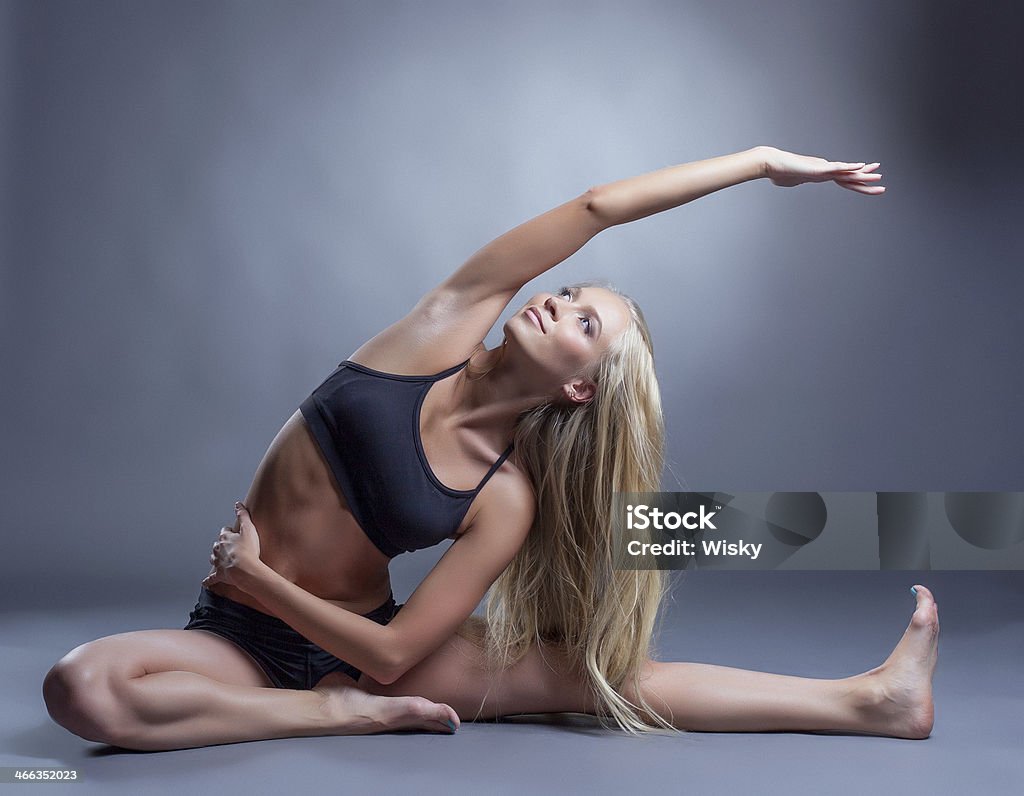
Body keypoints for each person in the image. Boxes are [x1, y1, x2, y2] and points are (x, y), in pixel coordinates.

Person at [42, 146, 939, 752]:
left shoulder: (505, 498)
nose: (558, 298)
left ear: (581, 386)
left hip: (362, 646)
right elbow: (595, 208)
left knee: (597, 681)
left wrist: (262, 580)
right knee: (80, 689)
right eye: (572, 290)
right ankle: (325, 717)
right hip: (240, 641)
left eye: (586, 321)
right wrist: (759, 162)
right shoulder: (433, 334)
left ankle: (870, 701)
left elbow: (394, 660)